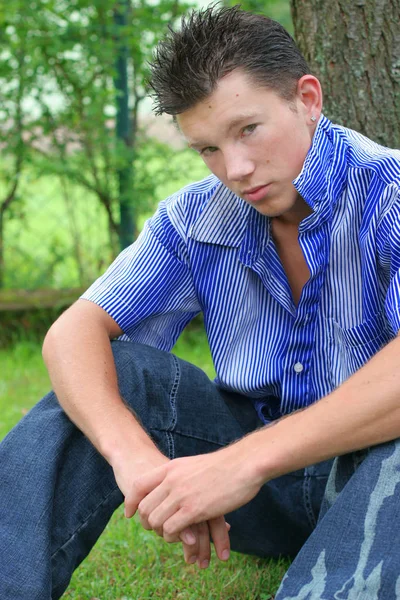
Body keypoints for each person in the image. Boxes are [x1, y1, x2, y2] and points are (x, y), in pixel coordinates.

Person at [2, 4, 400, 599]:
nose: (235, 169)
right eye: (208, 148)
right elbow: (71, 333)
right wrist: (133, 458)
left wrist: (241, 464)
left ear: (308, 98)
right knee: (113, 375)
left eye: (248, 129)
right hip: (257, 491)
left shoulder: (389, 192)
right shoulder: (193, 216)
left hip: (372, 475)